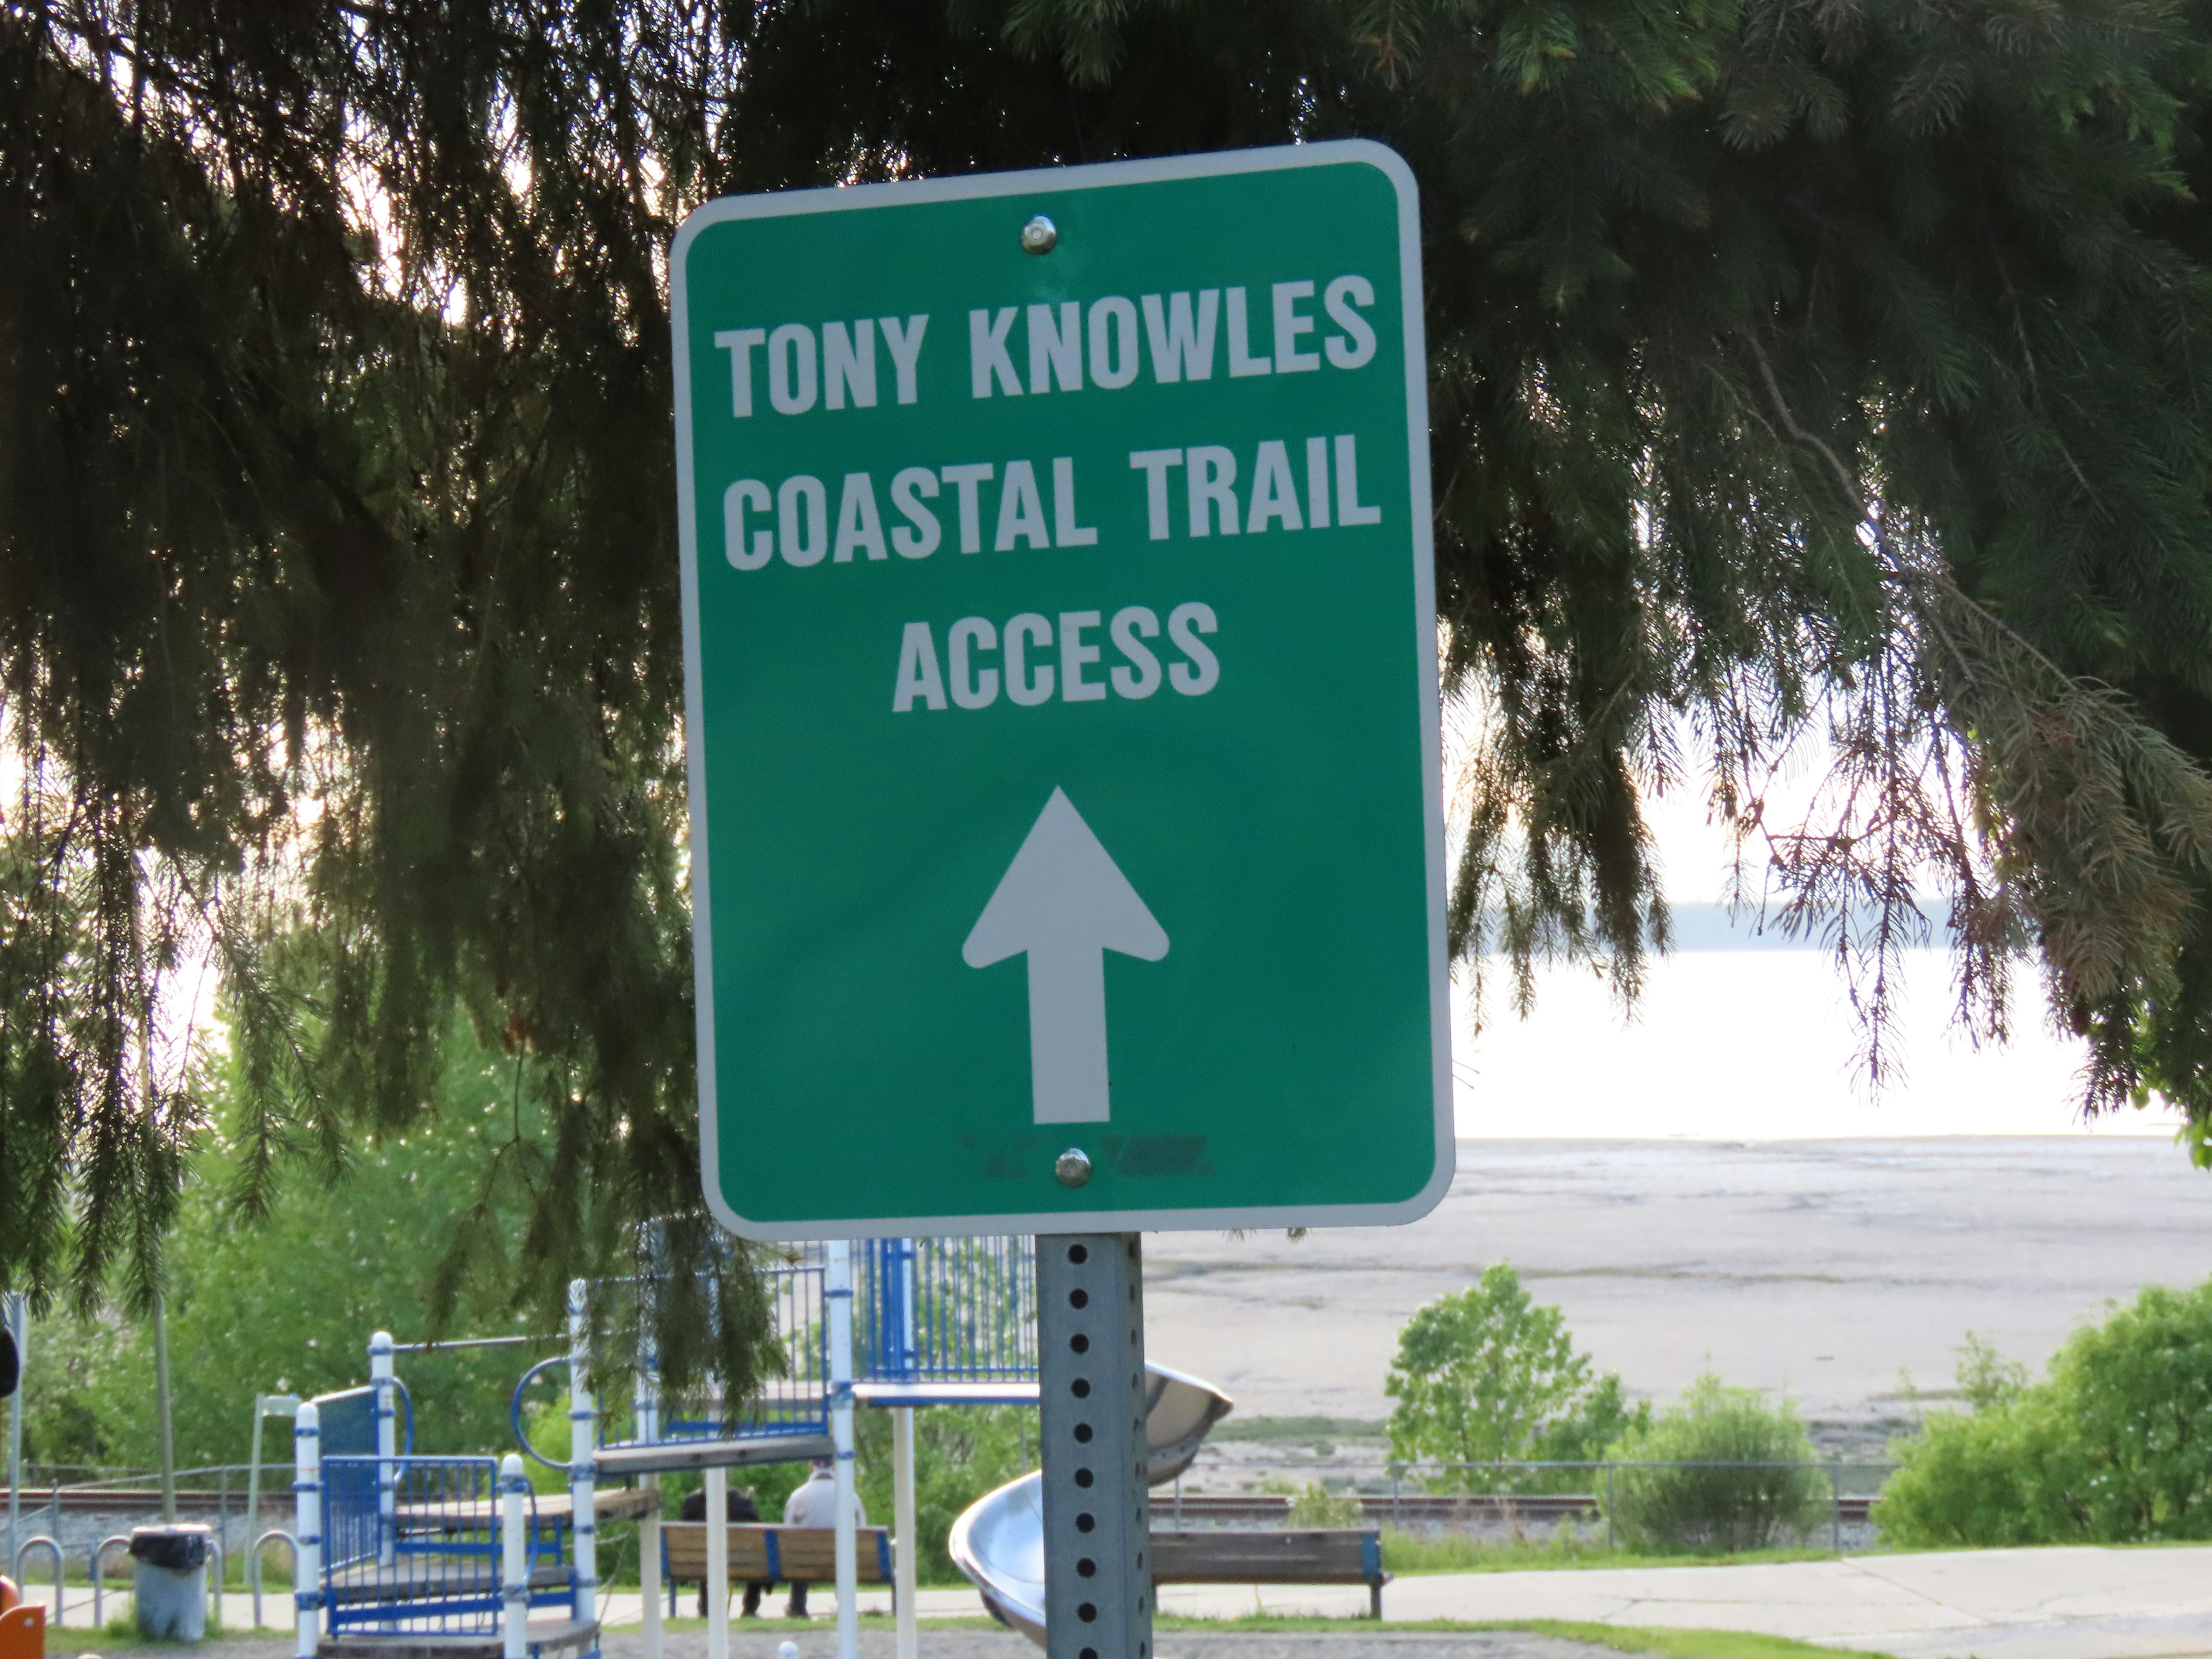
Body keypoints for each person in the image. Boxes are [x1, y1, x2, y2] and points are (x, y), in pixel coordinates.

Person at [778, 1456, 864, 1619]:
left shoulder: (798, 1497)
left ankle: (797, 1607)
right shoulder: (851, 1497)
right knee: (846, 1554)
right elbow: (862, 1529)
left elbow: (788, 1534)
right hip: (842, 1563)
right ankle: (846, 1605)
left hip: (805, 1564)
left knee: (799, 1552)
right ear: (834, 1468)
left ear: (812, 1467)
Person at [678, 1482, 769, 1618]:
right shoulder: (742, 1502)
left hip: (699, 1563)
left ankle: (706, 1608)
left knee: (707, 1559)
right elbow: (758, 1529)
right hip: (742, 1563)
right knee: (759, 1558)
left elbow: (682, 1533)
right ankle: (750, 1608)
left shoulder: (692, 1503)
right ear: (727, 1478)